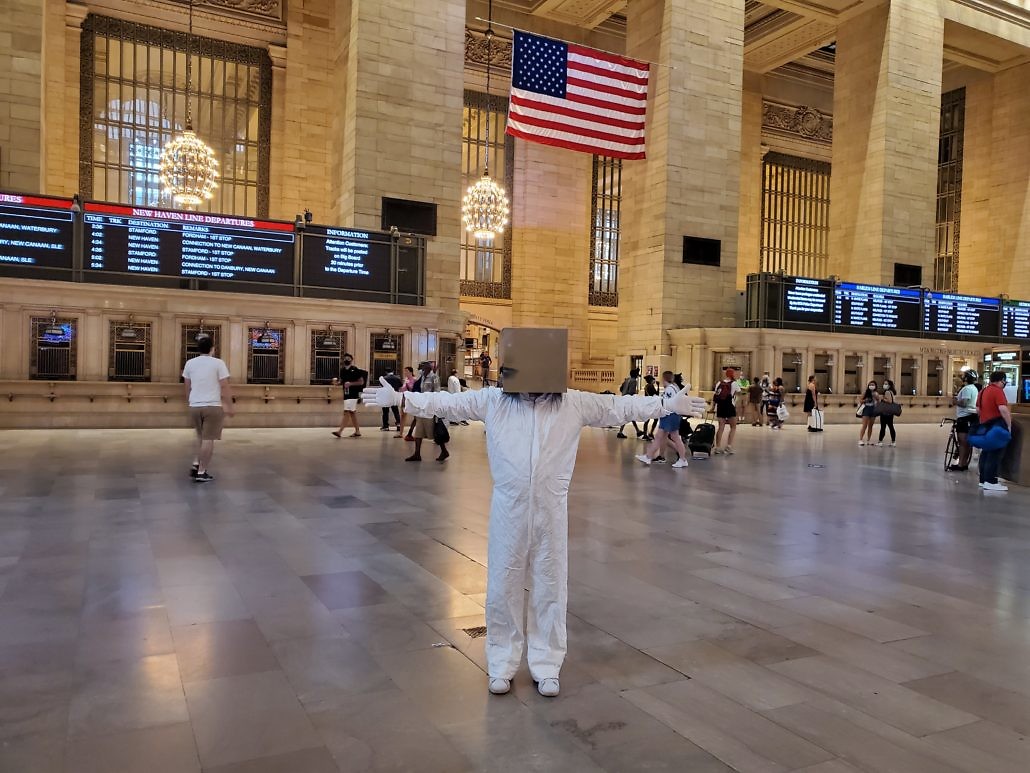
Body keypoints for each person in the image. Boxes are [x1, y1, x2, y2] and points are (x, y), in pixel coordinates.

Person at [370, 335, 706, 698]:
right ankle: (502, 661)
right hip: (508, 506)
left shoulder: (572, 403)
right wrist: (404, 399)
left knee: (550, 583)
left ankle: (547, 665)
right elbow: (450, 404)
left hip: (551, 507)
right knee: (503, 582)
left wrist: (662, 404)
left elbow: (618, 409)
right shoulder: (494, 401)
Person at [182, 335, 233, 483]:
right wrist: (229, 405)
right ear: (212, 349)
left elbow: (187, 386)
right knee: (208, 440)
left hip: (195, 405)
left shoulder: (190, 363)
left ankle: (196, 464)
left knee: (201, 438)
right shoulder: (218, 363)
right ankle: (201, 472)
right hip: (212, 406)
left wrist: (190, 402)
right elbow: (224, 385)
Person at [635, 371, 690, 468]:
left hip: (669, 415)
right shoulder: (674, 388)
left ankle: (682, 459)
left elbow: (666, 402)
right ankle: (649, 456)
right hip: (671, 415)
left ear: (664, 379)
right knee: (661, 437)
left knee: (672, 437)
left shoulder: (669, 389)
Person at [976, 371, 1012, 492]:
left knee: (986, 453)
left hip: (985, 425)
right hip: (996, 426)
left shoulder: (983, 391)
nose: (1004, 384)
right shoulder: (997, 391)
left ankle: (983, 480)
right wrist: (1009, 425)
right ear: (1001, 380)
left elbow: (978, 409)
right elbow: (1003, 409)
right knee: (994, 454)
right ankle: (991, 481)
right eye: (1004, 381)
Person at [407, 361, 448, 462]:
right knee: (418, 432)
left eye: (422, 367)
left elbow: (437, 393)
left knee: (434, 432)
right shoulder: (422, 377)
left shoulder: (434, 378)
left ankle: (444, 451)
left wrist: (435, 409)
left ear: (428, 368)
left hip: (430, 409)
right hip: (422, 408)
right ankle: (417, 454)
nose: (421, 369)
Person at [948, 370, 979, 472]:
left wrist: (955, 401)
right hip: (971, 417)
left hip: (964, 417)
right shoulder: (974, 388)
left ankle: (960, 464)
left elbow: (964, 403)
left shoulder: (966, 389)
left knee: (962, 443)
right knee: (967, 443)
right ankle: (965, 463)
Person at [331, 353, 367, 438]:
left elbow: (361, 382)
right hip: (346, 394)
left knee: (346, 412)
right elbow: (341, 381)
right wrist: (336, 383)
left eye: (348, 358)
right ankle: (357, 431)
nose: (346, 360)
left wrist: (351, 384)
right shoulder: (342, 370)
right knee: (352, 413)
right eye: (345, 358)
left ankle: (340, 431)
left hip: (353, 394)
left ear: (351, 360)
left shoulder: (355, 370)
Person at [712, 367, 741, 454]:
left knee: (721, 427)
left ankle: (718, 447)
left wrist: (713, 407)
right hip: (729, 406)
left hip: (720, 406)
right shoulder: (734, 383)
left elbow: (715, 395)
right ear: (733, 374)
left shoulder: (719, 383)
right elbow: (739, 393)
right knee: (733, 427)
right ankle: (728, 446)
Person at [616, 368, 643, 439]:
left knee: (630, 415)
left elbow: (621, 389)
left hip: (623, 398)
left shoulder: (627, 379)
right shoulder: (634, 381)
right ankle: (621, 432)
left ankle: (637, 431)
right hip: (628, 400)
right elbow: (631, 392)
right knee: (628, 415)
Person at [856, 379, 879, 446]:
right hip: (866, 408)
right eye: (870, 385)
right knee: (864, 425)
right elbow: (861, 400)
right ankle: (860, 439)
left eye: (873, 385)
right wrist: (866, 400)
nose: (871, 386)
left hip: (873, 409)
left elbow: (878, 401)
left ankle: (868, 440)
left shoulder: (876, 393)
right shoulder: (866, 392)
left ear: (875, 386)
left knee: (870, 426)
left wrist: (877, 398)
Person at [877, 379, 898, 447]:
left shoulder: (887, 392)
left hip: (885, 412)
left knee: (883, 427)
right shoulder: (892, 392)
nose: (884, 385)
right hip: (890, 412)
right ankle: (893, 441)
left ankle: (880, 441)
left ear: (889, 385)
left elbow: (889, 401)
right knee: (891, 426)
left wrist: (882, 398)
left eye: (886, 384)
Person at [396, 366, 416, 439]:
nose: (405, 373)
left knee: (416, 416)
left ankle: (413, 432)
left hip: (412, 399)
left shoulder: (414, 380)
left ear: (411, 372)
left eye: (406, 371)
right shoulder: (405, 380)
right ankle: (401, 433)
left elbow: (414, 389)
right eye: (404, 371)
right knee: (402, 416)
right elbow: (402, 389)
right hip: (404, 398)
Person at [641, 374, 659, 440]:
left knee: (647, 420)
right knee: (655, 419)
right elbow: (656, 394)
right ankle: (651, 432)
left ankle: (645, 434)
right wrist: (658, 386)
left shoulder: (646, 386)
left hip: (647, 404)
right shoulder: (651, 386)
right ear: (651, 380)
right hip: (651, 405)